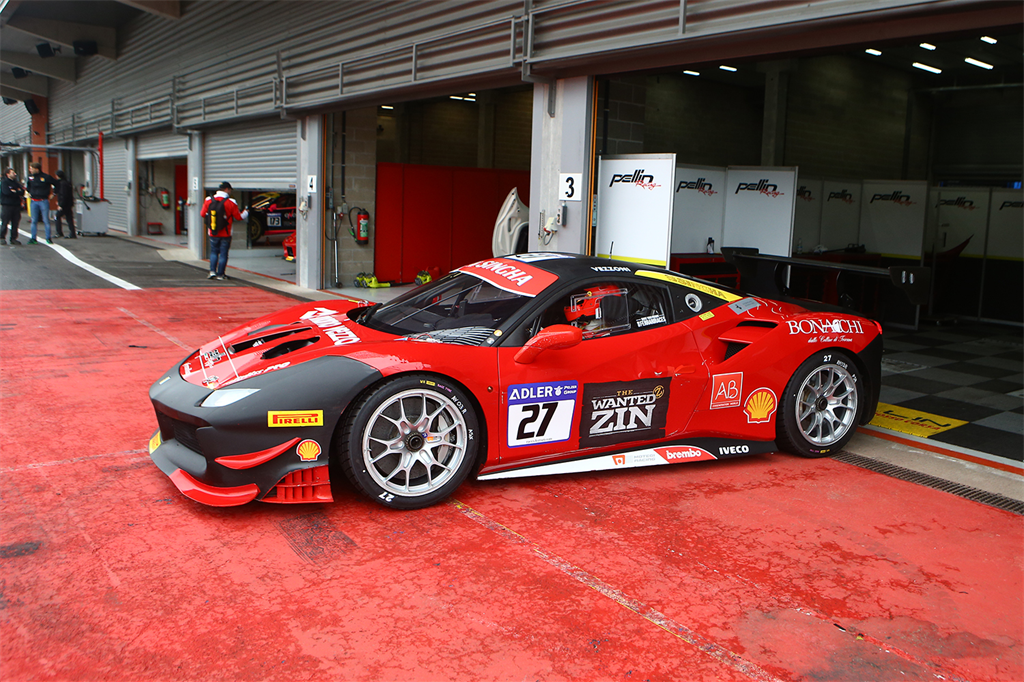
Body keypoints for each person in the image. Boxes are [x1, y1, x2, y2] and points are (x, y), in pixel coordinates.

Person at [200, 181, 248, 280]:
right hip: (226, 233)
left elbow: (202, 214)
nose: (230, 192)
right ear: (227, 189)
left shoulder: (208, 200)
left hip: (213, 232)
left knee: (213, 252)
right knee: (223, 254)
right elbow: (239, 217)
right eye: (230, 190)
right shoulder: (231, 202)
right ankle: (221, 274)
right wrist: (246, 212)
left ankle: (212, 272)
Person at [25, 161, 57, 245]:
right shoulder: (30, 177)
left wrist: (53, 194)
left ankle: (48, 238)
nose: (30, 170)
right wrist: (28, 193)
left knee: (46, 220)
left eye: (31, 169)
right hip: (33, 200)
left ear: (37, 169)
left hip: (43, 200)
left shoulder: (46, 177)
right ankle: (33, 238)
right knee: (34, 220)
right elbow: (28, 187)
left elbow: (57, 184)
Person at [0, 167, 24, 245]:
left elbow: (22, 191)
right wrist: (16, 192)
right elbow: (6, 192)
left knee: (15, 222)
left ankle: (13, 238)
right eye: (12, 173)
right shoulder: (4, 182)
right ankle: (2, 237)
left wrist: (15, 191)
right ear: (8, 174)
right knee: (5, 221)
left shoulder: (16, 182)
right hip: (7, 205)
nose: (15, 174)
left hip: (16, 205)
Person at [54, 170, 77, 239]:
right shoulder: (67, 182)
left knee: (57, 216)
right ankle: (72, 233)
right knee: (69, 218)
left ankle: (59, 232)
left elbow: (63, 195)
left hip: (64, 204)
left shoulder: (62, 184)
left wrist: (60, 204)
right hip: (69, 203)